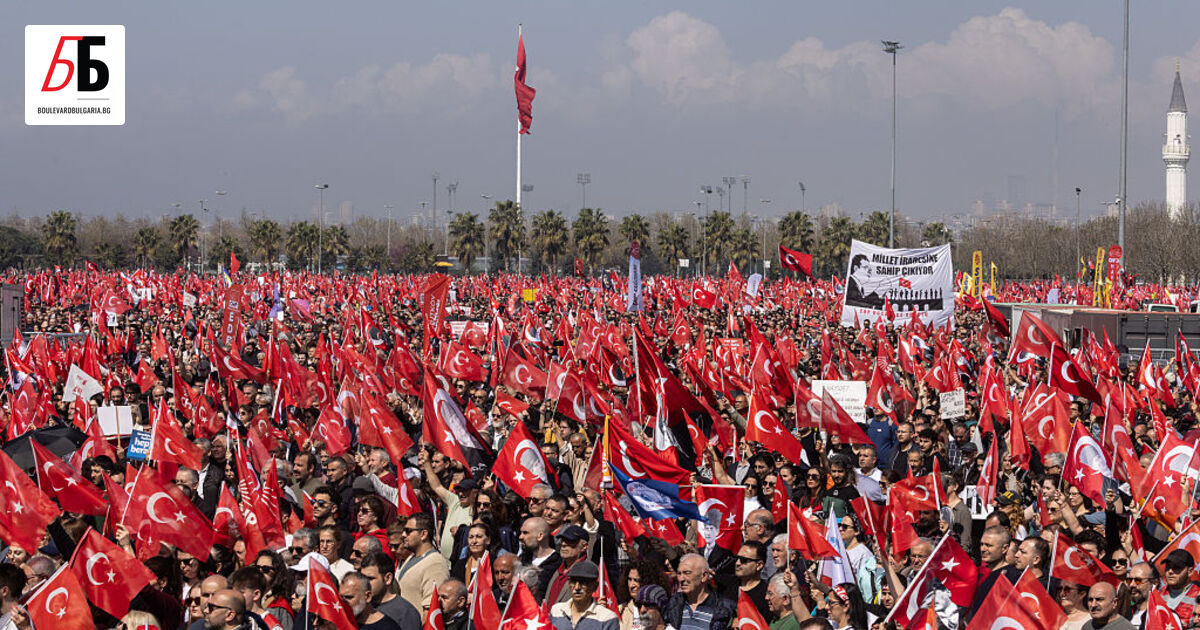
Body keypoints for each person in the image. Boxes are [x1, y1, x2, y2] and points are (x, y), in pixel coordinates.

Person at [396, 513, 450, 622]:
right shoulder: (411, 557)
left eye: (408, 531)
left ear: (423, 534)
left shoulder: (436, 563)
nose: (403, 534)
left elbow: (430, 609)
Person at [663, 554, 735, 630]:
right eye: (679, 573)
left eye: (687, 573)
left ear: (704, 576)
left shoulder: (726, 608)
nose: (681, 579)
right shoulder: (674, 603)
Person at [548, 560, 619, 630]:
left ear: (595, 586)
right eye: (573, 582)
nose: (577, 587)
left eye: (583, 582)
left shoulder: (607, 618)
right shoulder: (556, 611)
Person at [359, 551, 421, 630]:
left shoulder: (406, 612)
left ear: (388, 578)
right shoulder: (361, 607)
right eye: (362, 578)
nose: (364, 583)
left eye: (370, 578)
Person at [732, 541, 772, 623]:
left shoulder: (766, 596)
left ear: (759, 565)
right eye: (737, 558)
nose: (737, 563)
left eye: (744, 560)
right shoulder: (725, 584)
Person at [1122, 562, 1156, 627]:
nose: (1132, 585)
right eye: (1129, 580)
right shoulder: (1126, 615)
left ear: (1154, 583)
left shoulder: (1163, 615)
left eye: (1138, 580)